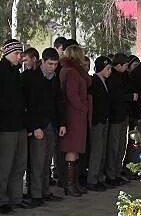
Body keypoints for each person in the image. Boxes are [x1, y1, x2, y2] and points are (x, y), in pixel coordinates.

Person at [0, 40, 30, 214]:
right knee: (4, 165)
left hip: (19, 125)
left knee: (19, 164)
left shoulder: (16, 72)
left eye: (21, 54)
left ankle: (16, 197)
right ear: (7, 53)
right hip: (5, 127)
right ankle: (1, 199)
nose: (19, 57)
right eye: (16, 54)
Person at [23, 48, 65, 205]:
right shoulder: (32, 78)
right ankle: (35, 194)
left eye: (55, 64)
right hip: (38, 125)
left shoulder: (54, 78)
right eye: (50, 64)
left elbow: (58, 102)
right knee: (37, 160)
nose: (52, 67)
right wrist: (34, 127)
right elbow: (29, 105)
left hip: (51, 124)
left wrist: (62, 123)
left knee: (47, 160)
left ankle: (45, 191)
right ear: (43, 61)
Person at [60, 45, 90, 198]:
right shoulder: (72, 72)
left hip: (77, 114)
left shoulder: (72, 70)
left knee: (77, 149)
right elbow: (72, 94)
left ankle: (74, 182)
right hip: (74, 115)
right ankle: (69, 184)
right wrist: (83, 107)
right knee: (72, 148)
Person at [106, 53, 136, 185]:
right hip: (115, 116)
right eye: (124, 66)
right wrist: (129, 97)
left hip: (123, 115)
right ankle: (111, 174)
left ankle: (117, 172)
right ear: (118, 65)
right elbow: (115, 96)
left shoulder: (123, 76)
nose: (126, 68)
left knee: (121, 146)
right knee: (114, 146)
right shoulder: (112, 77)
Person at [87, 56, 113, 192]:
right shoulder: (94, 81)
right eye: (107, 69)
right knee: (96, 151)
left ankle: (99, 177)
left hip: (105, 119)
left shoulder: (104, 81)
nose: (110, 71)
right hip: (98, 121)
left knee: (102, 150)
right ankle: (92, 178)